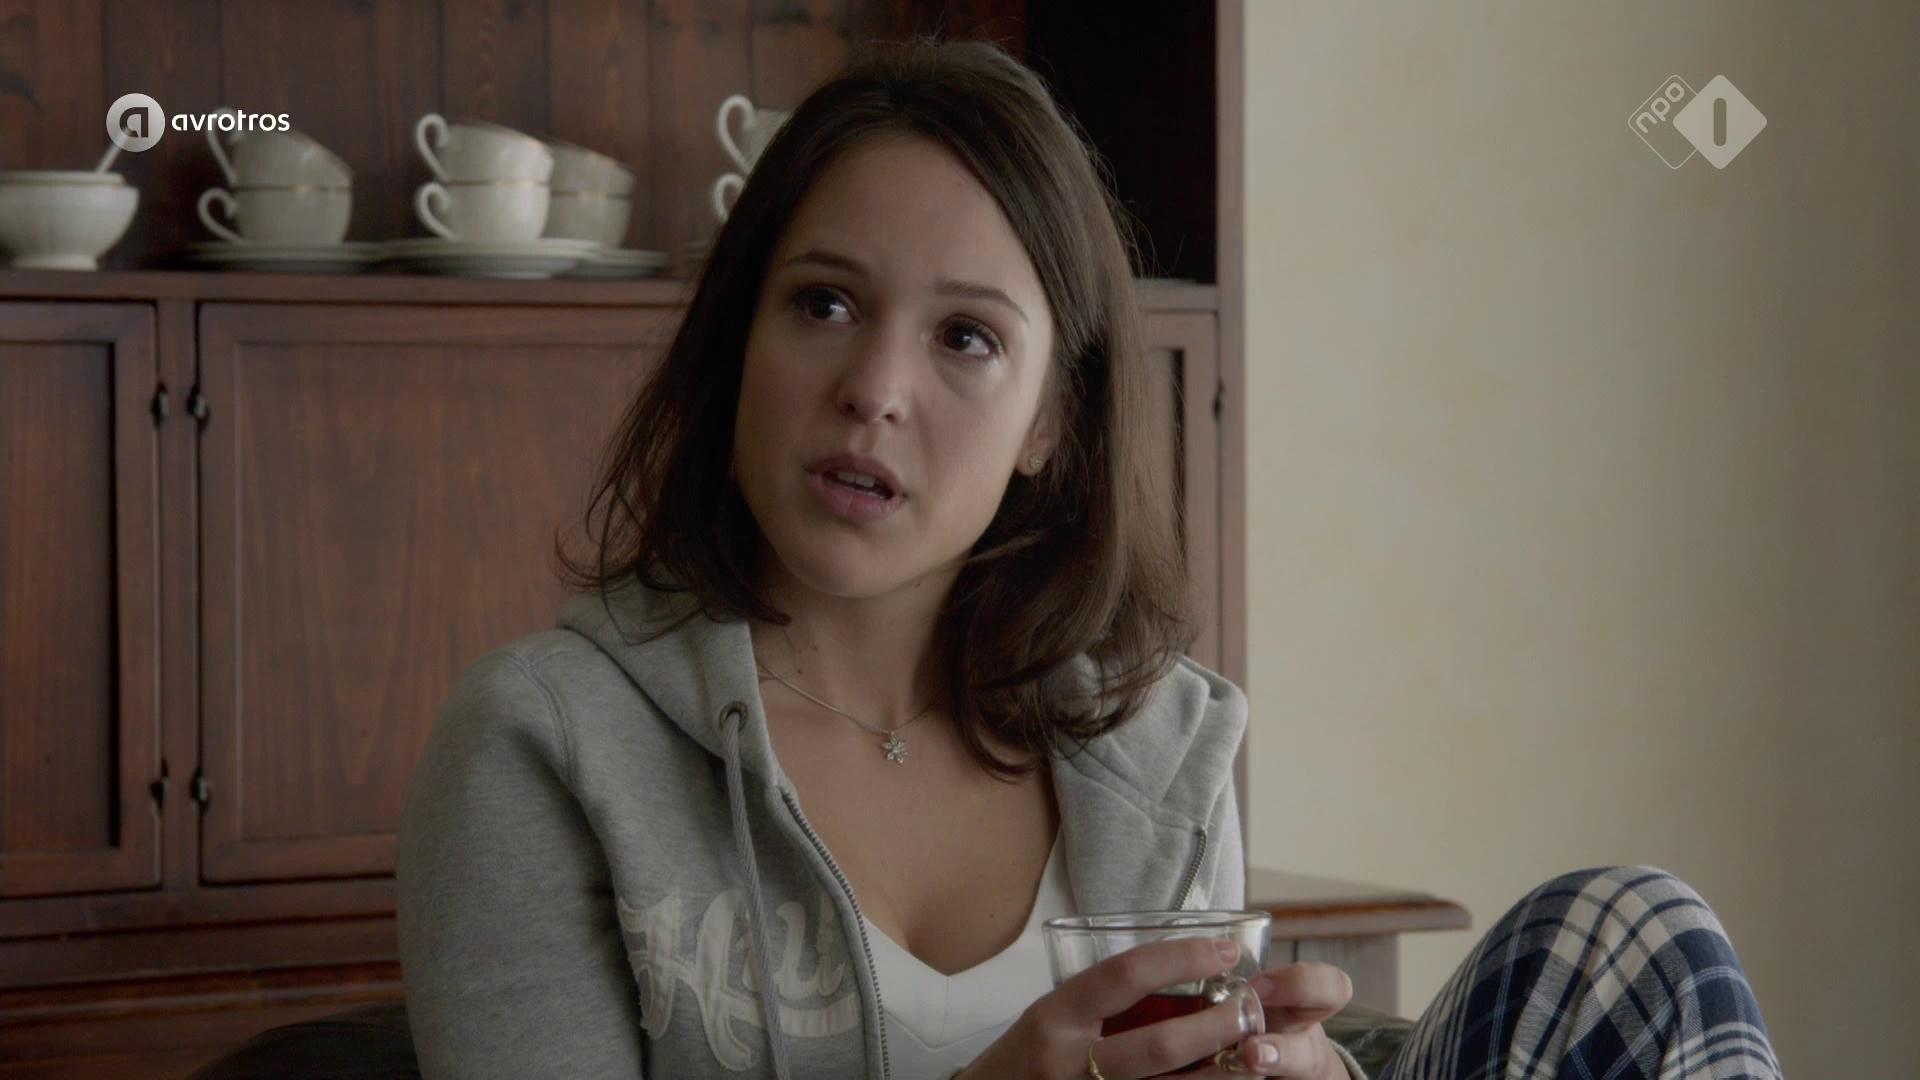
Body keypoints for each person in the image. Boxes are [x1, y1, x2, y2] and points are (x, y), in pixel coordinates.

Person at [395, 38, 1783, 1080]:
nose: (874, 389)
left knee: (1633, 935)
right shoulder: (544, 745)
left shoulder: (1150, 740)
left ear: (1052, 421)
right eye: (821, 303)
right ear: (738, 341)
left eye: (966, 338)